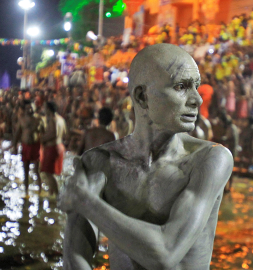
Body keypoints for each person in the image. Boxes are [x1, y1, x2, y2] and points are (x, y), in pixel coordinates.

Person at [58, 44, 233, 269]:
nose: (197, 99)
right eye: (181, 86)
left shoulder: (209, 159)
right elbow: (75, 258)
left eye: (196, 87)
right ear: (142, 97)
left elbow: (166, 254)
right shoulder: (100, 162)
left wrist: (86, 202)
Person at [13, 99, 44, 196]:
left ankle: (40, 191)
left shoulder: (38, 119)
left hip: (36, 146)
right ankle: (26, 191)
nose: (29, 109)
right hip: (25, 146)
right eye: (27, 108)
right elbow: (17, 134)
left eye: (31, 108)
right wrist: (15, 147)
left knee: (36, 170)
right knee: (25, 170)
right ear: (24, 110)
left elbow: (44, 133)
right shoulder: (21, 120)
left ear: (34, 108)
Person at [40, 101, 67, 196]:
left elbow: (53, 134)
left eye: (44, 107)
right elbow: (64, 133)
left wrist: (41, 139)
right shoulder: (61, 119)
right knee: (52, 172)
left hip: (52, 147)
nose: (43, 109)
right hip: (60, 147)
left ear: (48, 109)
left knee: (48, 173)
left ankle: (58, 195)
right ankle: (51, 194)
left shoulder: (53, 119)